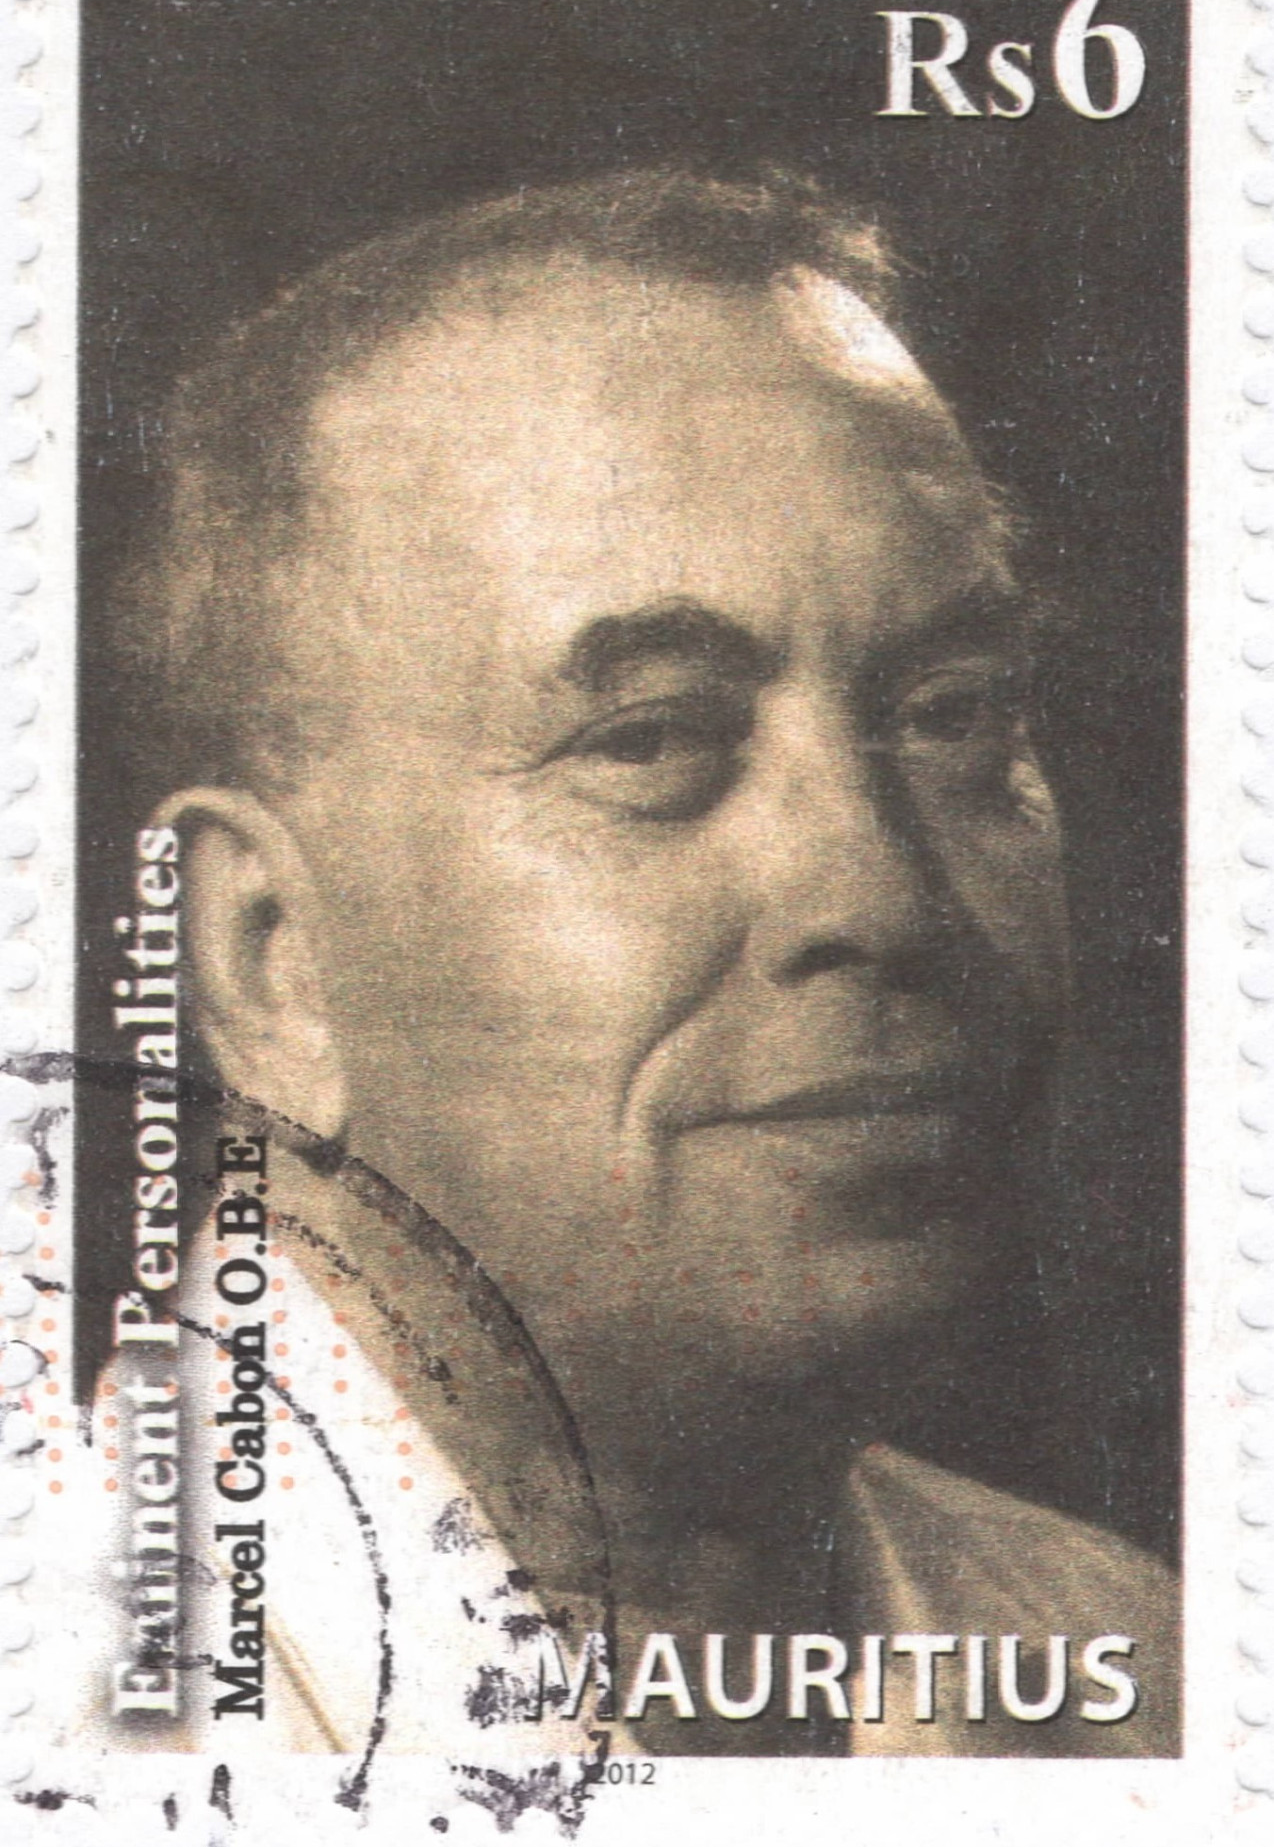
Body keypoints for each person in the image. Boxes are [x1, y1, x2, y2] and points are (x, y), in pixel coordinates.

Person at [92, 170, 1176, 1763]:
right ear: (272, 962)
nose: (876, 895)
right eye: (652, 738)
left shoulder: (1149, 1669)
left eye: (951, 712)